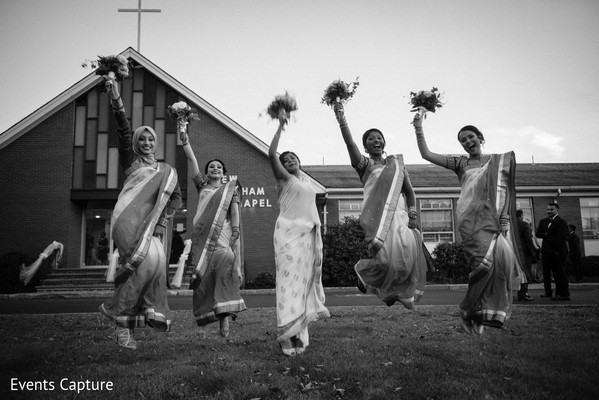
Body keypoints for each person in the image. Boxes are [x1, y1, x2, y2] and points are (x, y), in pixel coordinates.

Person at [413, 113, 524, 334]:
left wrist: (504, 218)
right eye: (463, 140)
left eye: (470, 136)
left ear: (480, 137)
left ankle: (490, 313)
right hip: (469, 220)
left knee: (498, 264)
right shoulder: (460, 163)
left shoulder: (496, 163)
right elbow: (426, 154)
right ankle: (471, 312)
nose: (467, 142)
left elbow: (506, 192)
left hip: (492, 218)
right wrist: (418, 127)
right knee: (479, 264)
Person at [98, 74, 181, 350]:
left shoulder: (165, 171)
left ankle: (149, 312)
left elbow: (175, 199)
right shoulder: (130, 160)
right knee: (140, 265)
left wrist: (162, 221)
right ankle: (123, 329)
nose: (146, 142)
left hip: (151, 224)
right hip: (127, 221)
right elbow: (122, 129)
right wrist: (116, 97)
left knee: (155, 265)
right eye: (141, 139)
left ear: (155, 143)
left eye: (150, 139)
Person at [332, 103, 427, 310]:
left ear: (384, 142)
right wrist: (342, 119)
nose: (376, 140)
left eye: (379, 137)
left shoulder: (397, 166)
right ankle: (366, 276)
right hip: (376, 216)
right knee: (384, 260)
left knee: (407, 254)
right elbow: (349, 145)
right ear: (365, 146)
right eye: (370, 138)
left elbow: (409, 192)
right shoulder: (365, 166)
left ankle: (393, 291)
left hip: (399, 215)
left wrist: (413, 214)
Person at [269, 113, 330, 356]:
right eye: (286, 159)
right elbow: (270, 153)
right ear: (281, 167)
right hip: (287, 237)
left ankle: (300, 334)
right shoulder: (284, 180)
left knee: (302, 285)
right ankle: (286, 335)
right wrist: (280, 127)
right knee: (287, 285)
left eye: (294, 157)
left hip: (307, 239)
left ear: (300, 162)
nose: (290, 159)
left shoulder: (306, 182)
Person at [179, 119, 246, 339]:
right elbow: (192, 159)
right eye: (211, 167)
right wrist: (184, 138)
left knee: (225, 269)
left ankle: (225, 320)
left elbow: (234, 213)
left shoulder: (229, 191)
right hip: (202, 238)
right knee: (205, 279)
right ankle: (213, 313)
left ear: (223, 172)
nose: (214, 168)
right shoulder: (202, 187)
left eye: (218, 166)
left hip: (224, 236)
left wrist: (235, 232)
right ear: (207, 174)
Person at [535, 203, 570, 300]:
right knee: (546, 273)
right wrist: (545, 235)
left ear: (557, 210)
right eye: (548, 209)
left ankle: (562, 294)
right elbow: (538, 234)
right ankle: (548, 292)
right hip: (546, 252)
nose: (549, 211)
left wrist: (555, 250)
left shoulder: (562, 222)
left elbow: (563, 238)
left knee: (559, 274)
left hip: (557, 253)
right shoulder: (543, 221)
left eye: (551, 209)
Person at [516, 210, 535, 301]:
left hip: (511, 252)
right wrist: (532, 253)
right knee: (525, 272)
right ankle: (523, 293)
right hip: (523, 253)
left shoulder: (509, 225)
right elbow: (528, 240)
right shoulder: (524, 225)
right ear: (521, 215)